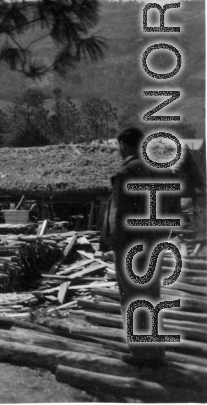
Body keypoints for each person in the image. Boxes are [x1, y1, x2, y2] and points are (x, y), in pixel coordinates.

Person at [101, 127, 179, 365]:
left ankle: (142, 355)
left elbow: (118, 214)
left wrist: (112, 242)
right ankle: (155, 352)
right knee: (150, 295)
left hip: (129, 246)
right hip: (153, 243)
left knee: (133, 297)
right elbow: (173, 207)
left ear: (124, 145)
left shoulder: (126, 172)